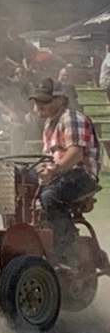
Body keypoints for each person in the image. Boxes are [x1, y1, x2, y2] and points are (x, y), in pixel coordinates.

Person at [29, 78, 101, 269]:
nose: (38, 105)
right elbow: (48, 157)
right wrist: (42, 170)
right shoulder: (49, 124)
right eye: (37, 101)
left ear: (60, 100)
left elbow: (75, 154)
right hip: (62, 174)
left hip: (81, 175)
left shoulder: (71, 118)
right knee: (20, 179)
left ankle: (67, 253)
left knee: (51, 196)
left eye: (44, 101)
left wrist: (54, 171)